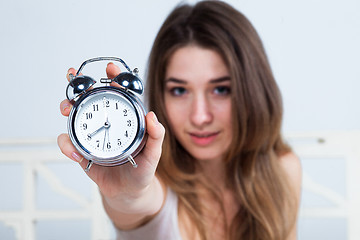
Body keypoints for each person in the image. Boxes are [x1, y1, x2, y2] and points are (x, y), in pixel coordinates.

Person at [58, 1, 302, 239]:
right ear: (161, 95)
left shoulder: (282, 171)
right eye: (179, 91)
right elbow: (135, 200)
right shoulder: (149, 181)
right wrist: (128, 192)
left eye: (221, 90)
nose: (200, 117)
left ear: (254, 91)